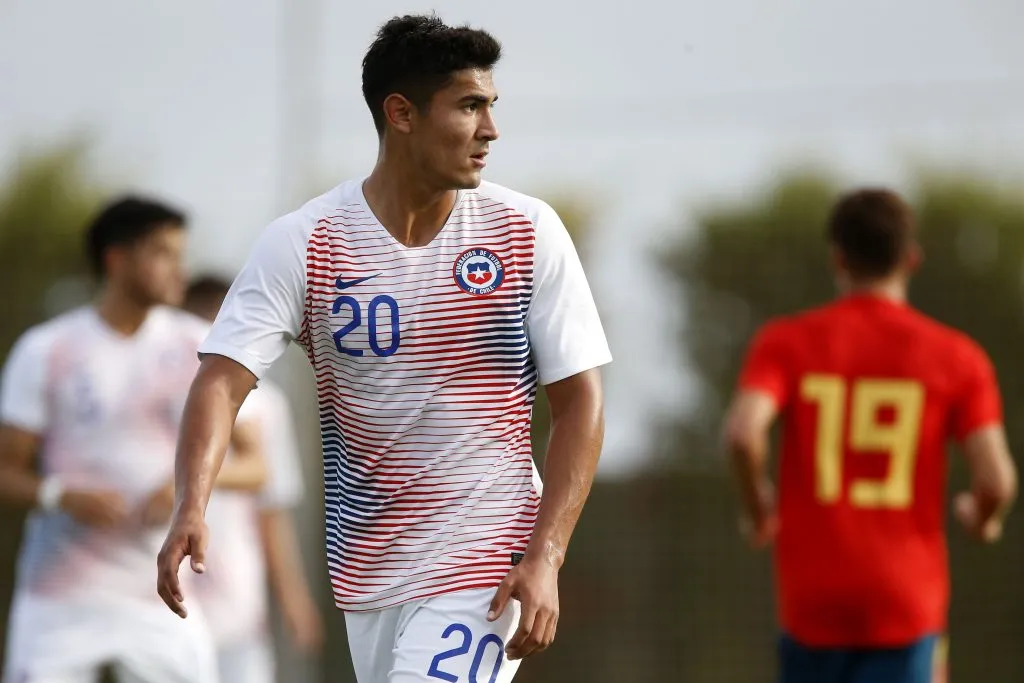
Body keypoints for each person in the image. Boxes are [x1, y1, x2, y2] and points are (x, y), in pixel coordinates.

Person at [156, 13, 612, 683]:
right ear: (401, 113)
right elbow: (222, 381)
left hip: (488, 555)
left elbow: (580, 403)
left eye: (491, 106)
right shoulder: (305, 242)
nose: (491, 129)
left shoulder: (526, 230)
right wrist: (191, 502)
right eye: (469, 106)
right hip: (369, 566)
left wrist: (545, 556)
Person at [723, 188, 1018, 683]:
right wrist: (983, 517)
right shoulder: (958, 358)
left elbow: (742, 433)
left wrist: (758, 509)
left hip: (811, 603)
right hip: (906, 605)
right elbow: (997, 481)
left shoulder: (786, 342)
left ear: (838, 258)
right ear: (912, 259)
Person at [0, 197, 266, 683]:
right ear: (116, 260)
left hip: (161, 594)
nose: (178, 270)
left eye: (180, 255)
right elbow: (6, 472)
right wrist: (59, 495)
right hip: (60, 594)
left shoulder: (200, 346)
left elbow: (256, 466)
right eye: (163, 254)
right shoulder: (47, 350)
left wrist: (187, 488)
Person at [183, 275, 323, 683]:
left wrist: (294, 599)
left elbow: (272, 513)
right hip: (160, 596)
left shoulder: (266, 407)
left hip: (237, 601)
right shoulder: (160, 392)